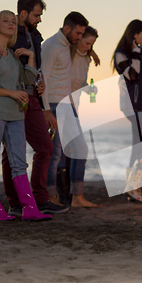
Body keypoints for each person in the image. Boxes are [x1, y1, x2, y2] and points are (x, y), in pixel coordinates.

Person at [0, 0, 67, 216]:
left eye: (13, 22)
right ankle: (0, 208)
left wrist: (32, 59)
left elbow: (27, 78)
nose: (11, 24)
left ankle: (29, 208)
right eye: (6, 21)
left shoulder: (16, 53)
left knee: (18, 161)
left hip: (16, 111)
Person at [41, 11, 97, 207]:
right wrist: (46, 109)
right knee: (55, 154)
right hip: (56, 105)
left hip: (68, 106)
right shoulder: (54, 46)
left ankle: (76, 197)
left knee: (78, 149)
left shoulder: (68, 46)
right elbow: (43, 79)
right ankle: (51, 196)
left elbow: (78, 70)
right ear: (67, 29)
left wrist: (91, 51)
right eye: (79, 34)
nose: (80, 38)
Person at [113, 20, 142, 202]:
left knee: (140, 146)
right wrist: (138, 55)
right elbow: (131, 75)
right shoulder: (121, 54)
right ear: (134, 35)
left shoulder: (139, 52)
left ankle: (132, 187)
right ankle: (132, 186)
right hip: (133, 107)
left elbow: (141, 79)